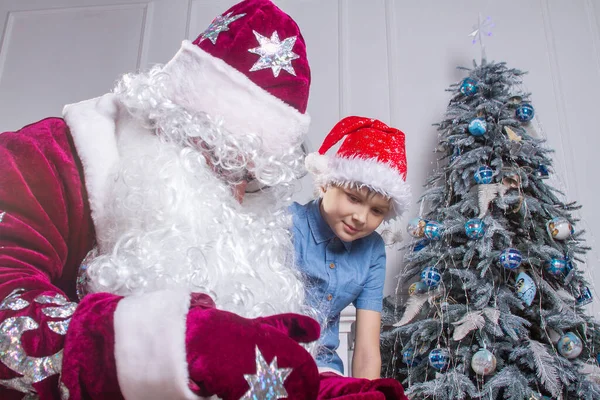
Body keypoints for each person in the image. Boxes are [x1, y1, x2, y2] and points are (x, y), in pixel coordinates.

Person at [0, 0, 408, 398]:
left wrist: (323, 388)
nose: (235, 193)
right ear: (175, 120)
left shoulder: (251, 220)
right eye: (222, 160)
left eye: (252, 178)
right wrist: (160, 348)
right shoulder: (49, 156)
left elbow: (245, 364)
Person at [291, 116, 411, 378]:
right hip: (266, 360)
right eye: (353, 198)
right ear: (326, 183)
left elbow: (367, 348)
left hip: (323, 369)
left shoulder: (372, 250)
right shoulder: (288, 223)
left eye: (377, 210)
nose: (361, 217)